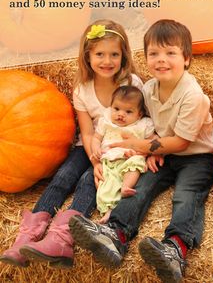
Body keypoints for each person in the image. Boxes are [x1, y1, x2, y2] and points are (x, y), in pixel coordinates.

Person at [68, 19, 213, 282]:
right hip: (164, 153)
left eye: (170, 53)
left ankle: (176, 248)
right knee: (139, 186)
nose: (161, 60)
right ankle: (116, 234)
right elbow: (154, 127)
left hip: (196, 156)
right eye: (154, 54)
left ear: (187, 59)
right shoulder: (147, 90)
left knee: (186, 195)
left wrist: (138, 146)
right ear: (145, 57)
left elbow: (182, 142)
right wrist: (151, 151)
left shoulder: (193, 95)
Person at [0, 19, 143, 268]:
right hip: (89, 146)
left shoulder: (131, 85)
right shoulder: (83, 89)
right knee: (64, 175)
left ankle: (61, 239)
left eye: (114, 54)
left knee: (88, 181)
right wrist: (94, 157)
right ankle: (26, 239)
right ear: (87, 56)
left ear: (124, 56)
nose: (107, 61)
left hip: (117, 149)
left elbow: (142, 126)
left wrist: (105, 164)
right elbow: (87, 132)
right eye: (100, 54)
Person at [91, 85, 155, 223]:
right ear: (111, 107)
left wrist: (154, 153)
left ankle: (126, 186)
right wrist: (95, 149)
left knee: (136, 162)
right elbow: (96, 138)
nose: (121, 114)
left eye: (128, 111)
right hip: (110, 160)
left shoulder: (143, 124)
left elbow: (154, 141)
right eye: (117, 109)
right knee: (106, 185)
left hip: (130, 157)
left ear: (139, 114)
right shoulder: (106, 121)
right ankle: (108, 211)